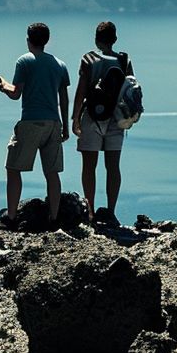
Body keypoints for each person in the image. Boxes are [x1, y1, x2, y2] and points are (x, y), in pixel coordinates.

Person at [0, 22, 70, 227]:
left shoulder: (24, 61)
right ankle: (54, 218)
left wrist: (3, 86)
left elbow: (16, 94)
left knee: (13, 168)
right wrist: (65, 125)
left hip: (31, 122)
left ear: (28, 40)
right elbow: (64, 98)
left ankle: (11, 217)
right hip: (53, 123)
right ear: (47, 40)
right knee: (52, 173)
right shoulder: (60, 65)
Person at [72, 20, 134, 223]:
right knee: (113, 166)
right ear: (115, 39)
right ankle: (110, 211)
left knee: (89, 166)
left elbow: (81, 90)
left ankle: (89, 212)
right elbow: (131, 90)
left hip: (92, 117)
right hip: (117, 119)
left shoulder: (88, 59)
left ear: (96, 40)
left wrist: (75, 119)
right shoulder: (124, 60)